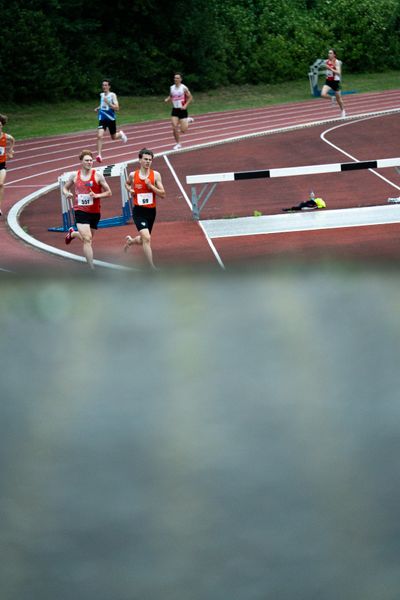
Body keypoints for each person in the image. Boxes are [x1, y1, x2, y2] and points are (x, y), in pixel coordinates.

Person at [63, 149, 112, 269]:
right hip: (80, 211)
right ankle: (92, 268)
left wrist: (97, 195)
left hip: (94, 212)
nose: (90, 162)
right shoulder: (75, 176)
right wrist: (67, 193)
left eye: (91, 160)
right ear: (81, 161)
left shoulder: (98, 175)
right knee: (87, 238)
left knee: (88, 239)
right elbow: (65, 188)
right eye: (87, 160)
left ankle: (73, 234)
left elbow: (109, 192)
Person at [123, 148, 166, 269]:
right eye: (145, 159)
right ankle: (151, 267)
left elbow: (163, 194)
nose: (148, 162)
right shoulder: (133, 175)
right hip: (139, 211)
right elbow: (127, 183)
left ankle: (130, 241)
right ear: (140, 160)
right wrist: (130, 189)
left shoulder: (155, 175)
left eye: (150, 160)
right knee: (147, 238)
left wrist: (151, 186)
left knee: (143, 240)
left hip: (151, 212)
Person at [95, 79, 128, 163]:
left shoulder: (112, 95)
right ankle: (99, 155)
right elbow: (102, 104)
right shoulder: (101, 95)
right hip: (102, 118)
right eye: (103, 85)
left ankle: (120, 134)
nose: (104, 87)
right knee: (99, 136)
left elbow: (117, 108)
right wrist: (98, 108)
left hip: (111, 119)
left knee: (113, 137)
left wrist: (109, 103)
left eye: (106, 85)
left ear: (109, 86)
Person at [164, 73, 194, 150]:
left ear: (181, 79)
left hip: (182, 110)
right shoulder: (172, 87)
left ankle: (187, 120)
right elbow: (171, 95)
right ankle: (178, 144)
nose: (175, 79)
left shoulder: (184, 88)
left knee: (183, 130)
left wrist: (185, 105)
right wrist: (167, 99)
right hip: (175, 110)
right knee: (174, 127)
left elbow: (190, 97)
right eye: (175, 78)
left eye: (177, 78)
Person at [320, 49, 346, 118]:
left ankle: (343, 110)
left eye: (331, 53)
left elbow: (338, 72)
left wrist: (330, 68)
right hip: (328, 81)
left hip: (336, 82)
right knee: (322, 94)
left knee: (339, 99)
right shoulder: (326, 61)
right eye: (328, 53)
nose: (329, 54)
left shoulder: (336, 62)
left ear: (334, 55)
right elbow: (322, 64)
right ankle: (332, 98)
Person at [0, 114, 15, 217]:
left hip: (1, 165)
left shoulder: (6, 137)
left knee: (0, 184)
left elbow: (13, 140)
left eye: (0, 126)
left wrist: (10, 151)